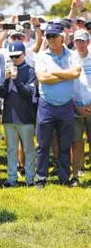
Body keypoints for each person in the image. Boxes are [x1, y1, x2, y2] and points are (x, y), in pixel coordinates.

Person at [35, 24, 81, 189]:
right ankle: (40, 178)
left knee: (64, 145)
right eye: (48, 37)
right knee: (43, 145)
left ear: (62, 37)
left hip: (66, 106)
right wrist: (65, 74)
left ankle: (63, 177)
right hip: (46, 105)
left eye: (54, 36)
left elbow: (75, 73)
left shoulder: (72, 54)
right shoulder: (41, 56)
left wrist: (54, 73)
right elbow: (42, 78)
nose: (51, 39)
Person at [0, 42, 36, 187]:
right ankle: (11, 178)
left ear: (24, 54)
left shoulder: (30, 71)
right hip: (9, 116)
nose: (14, 59)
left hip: (25, 117)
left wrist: (16, 79)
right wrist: (7, 79)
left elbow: (28, 94)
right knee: (11, 149)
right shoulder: (6, 71)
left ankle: (30, 178)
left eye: (17, 56)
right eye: (12, 56)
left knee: (29, 149)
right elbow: (1, 93)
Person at [71, 30, 91, 186]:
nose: (80, 44)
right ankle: (75, 175)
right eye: (77, 41)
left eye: (82, 41)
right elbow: (68, 86)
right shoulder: (70, 59)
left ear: (88, 42)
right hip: (75, 107)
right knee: (76, 142)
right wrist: (77, 107)